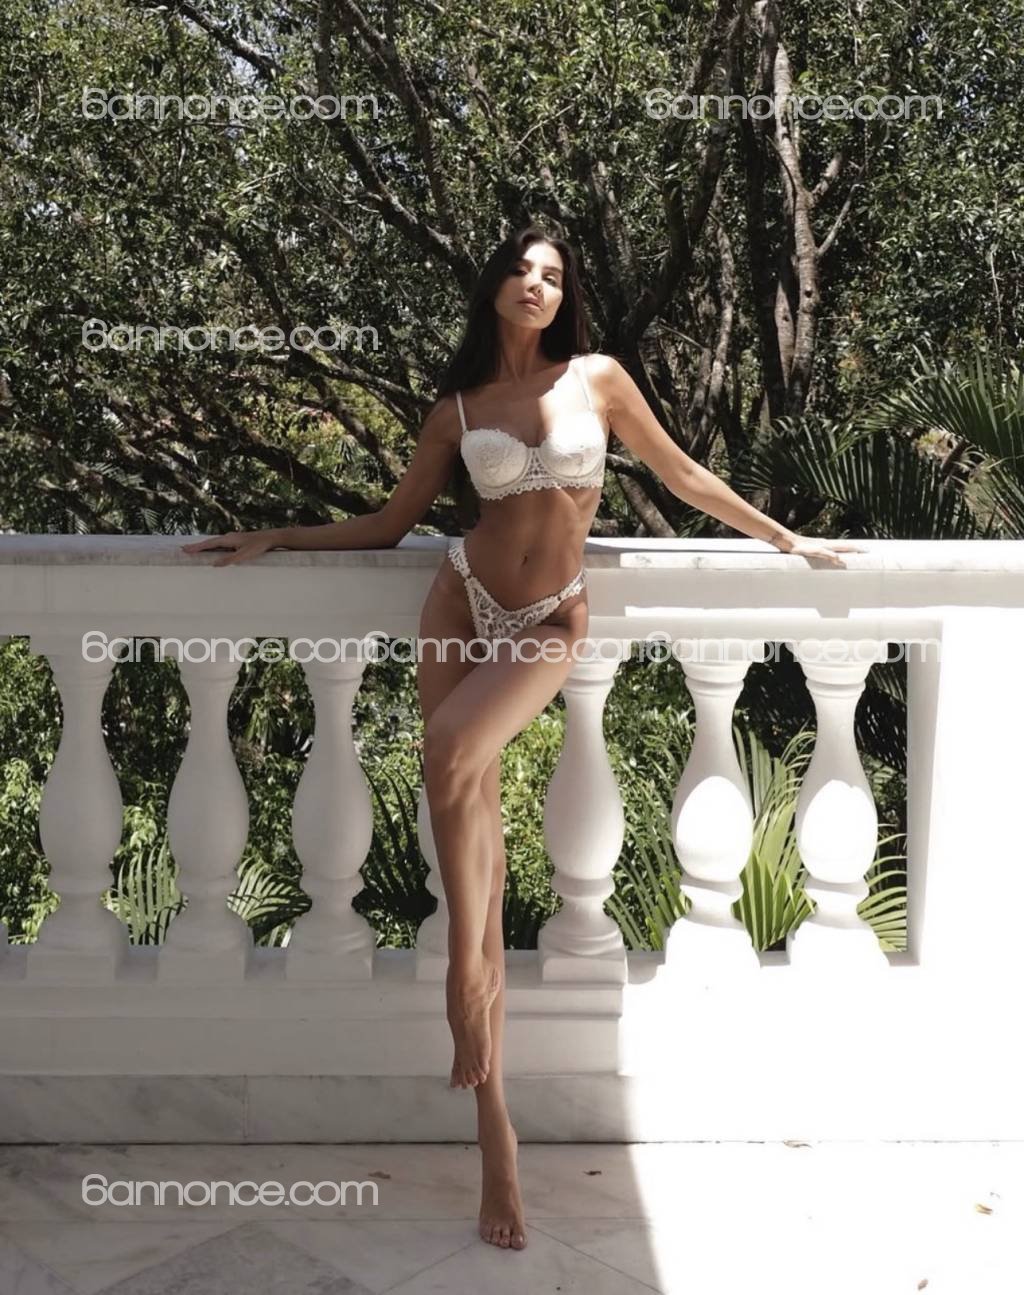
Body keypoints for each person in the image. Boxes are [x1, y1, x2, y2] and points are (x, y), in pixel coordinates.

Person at [181, 225, 862, 1250]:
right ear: (495, 287)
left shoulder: (598, 378)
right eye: (520, 271)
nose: (535, 285)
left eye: (552, 275)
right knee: (478, 842)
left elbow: (681, 475)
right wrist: (278, 534)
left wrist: (785, 536)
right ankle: (495, 1134)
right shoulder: (456, 411)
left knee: (449, 753)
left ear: (562, 296)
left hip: (549, 618)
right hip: (459, 599)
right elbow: (388, 523)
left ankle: (464, 972)